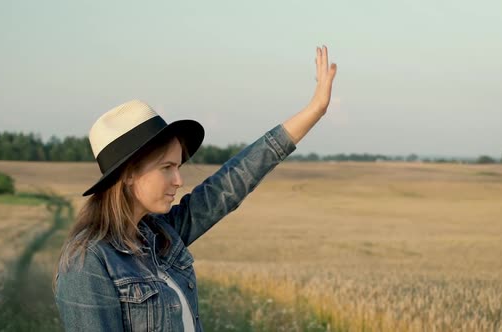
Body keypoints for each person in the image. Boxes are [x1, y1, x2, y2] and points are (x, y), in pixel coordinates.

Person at [54, 46, 337, 331]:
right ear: (128, 174)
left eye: (178, 167)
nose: (178, 180)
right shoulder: (88, 261)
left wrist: (314, 111)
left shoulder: (161, 236)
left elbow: (231, 183)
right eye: (167, 168)